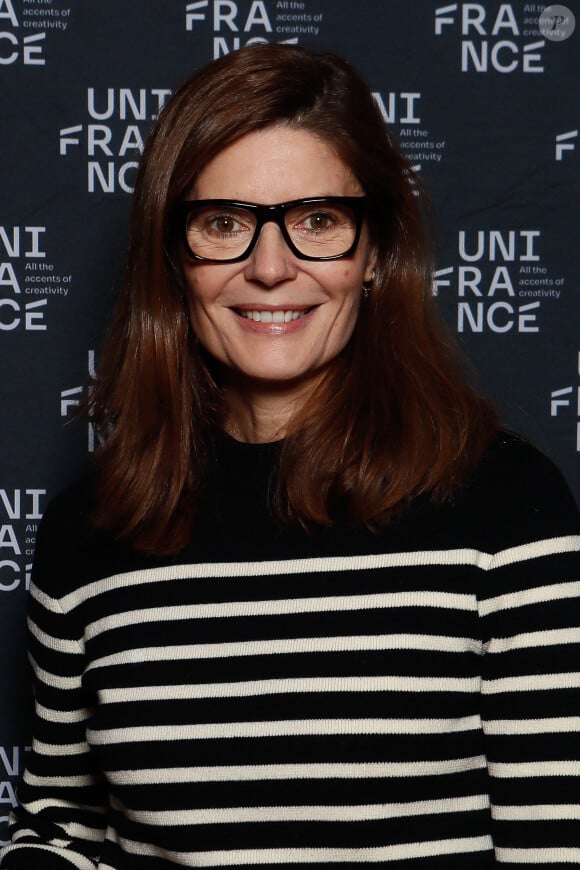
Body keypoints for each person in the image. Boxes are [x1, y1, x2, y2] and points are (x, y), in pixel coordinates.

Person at [1, 42, 579, 870]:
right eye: (225, 224)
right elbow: (60, 817)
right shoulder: (89, 532)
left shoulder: (506, 504)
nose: (271, 268)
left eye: (317, 222)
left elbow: (559, 837)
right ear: (175, 257)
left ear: (375, 250)